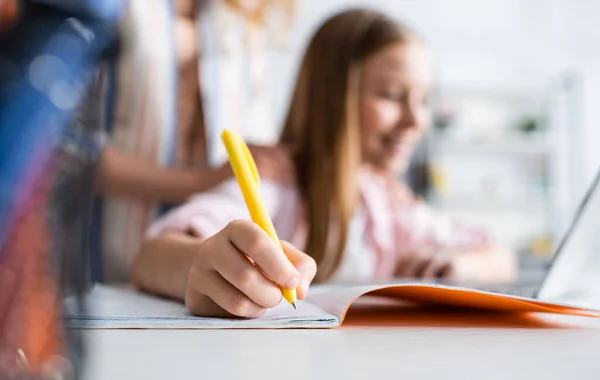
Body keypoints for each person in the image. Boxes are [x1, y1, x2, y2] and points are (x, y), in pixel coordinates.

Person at [131, 8, 517, 319]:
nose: (417, 121)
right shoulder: (279, 185)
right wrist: (201, 264)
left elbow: (500, 256)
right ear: (331, 100)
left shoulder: (387, 203)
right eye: (392, 95)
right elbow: (151, 257)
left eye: (423, 100)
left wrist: (458, 266)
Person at [91, 0, 295, 282]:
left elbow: (260, 145)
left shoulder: (242, 22)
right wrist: (204, 180)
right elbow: (71, 151)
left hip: (199, 272)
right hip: (100, 258)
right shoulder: (112, 11)